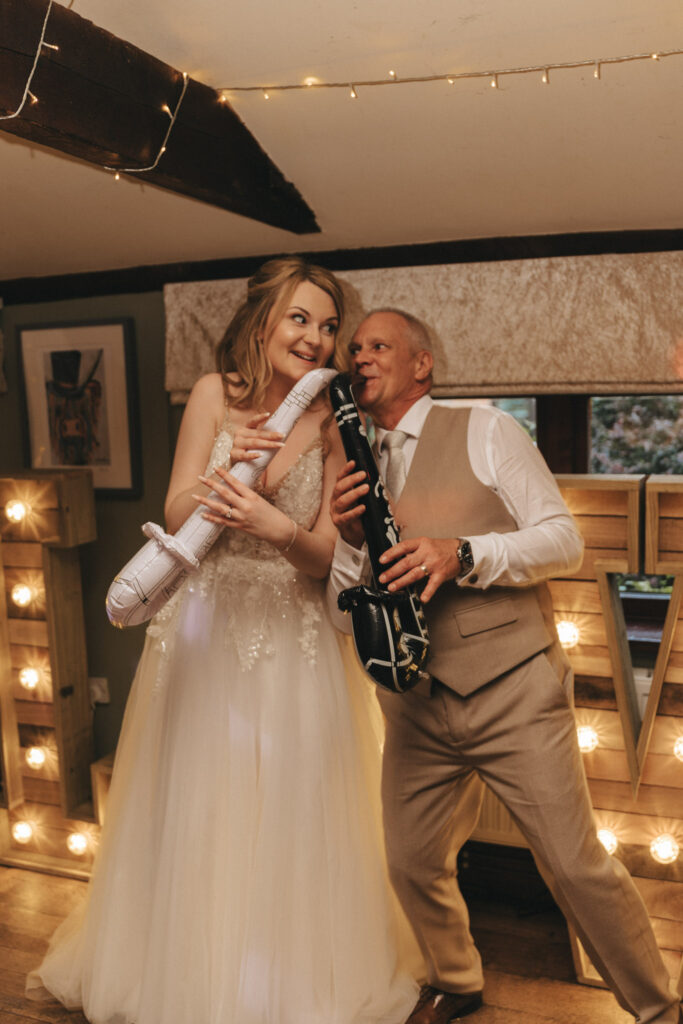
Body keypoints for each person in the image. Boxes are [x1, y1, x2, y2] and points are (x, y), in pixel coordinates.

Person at [27, 262, 419, 1024]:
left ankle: (287, 986)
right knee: (199, 802)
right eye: (300, 319)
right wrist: (228, 467)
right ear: (266, 322)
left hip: (290, 634)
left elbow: (329, 564)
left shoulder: (339, 423)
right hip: (205, 628)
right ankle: (185, 976)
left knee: (294, 810)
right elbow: (175, 510)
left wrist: (273, 522)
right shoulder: (214, 395)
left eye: (329, 325)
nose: (315, 337)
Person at [328, 308, 682, 1024]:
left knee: (575, 866)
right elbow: (344, 599)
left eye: (378, 345)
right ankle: (455, 980)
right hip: (413, 705)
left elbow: (562, 542)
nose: (360, 356)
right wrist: (343, 539)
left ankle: (657, 1010)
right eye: (354, 347)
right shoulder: (351, 464)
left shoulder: (485, 429)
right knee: (408, 861)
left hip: (513, 691)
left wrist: (463, 552)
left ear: (421, 363)